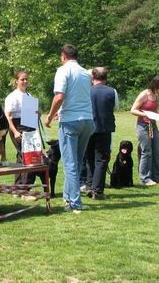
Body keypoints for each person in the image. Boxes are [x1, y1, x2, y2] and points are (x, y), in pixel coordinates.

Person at [45, 44, 94, 213]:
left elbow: (59, 96)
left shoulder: (63, 71)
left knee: (70, 164)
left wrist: (50, 116)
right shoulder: (86, 73)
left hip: (70, 122)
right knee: (77, 162)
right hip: (88, 121)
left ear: (63, 56)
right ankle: (68, 197)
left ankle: (75, 203)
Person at [4, 70, 44, 201]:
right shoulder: (12, 96)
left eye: (26, 79)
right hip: (18, 127)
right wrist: (15, 132)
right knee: (27, 157)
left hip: (29, 126)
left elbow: (32, 113)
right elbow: (8, 116)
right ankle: (24, 191)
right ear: (16, 81)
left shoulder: (29, 95)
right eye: (22, 79)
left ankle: (17, 188)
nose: (25, 81)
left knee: (22, 156)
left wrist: (38, 112)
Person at [84, 67, 118, 200]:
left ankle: (89, 185)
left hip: (88, 128)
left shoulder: (86, 91)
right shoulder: (112, 91)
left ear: (93, 77)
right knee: (101, 159)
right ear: (106, 78)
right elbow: (115, 107)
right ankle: (97, 190)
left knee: (89, 158)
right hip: (104, 129)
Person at [130, 76, 159, 186]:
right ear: (155, 85)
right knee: (146, 152)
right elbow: (133, 110)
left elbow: (155, 111)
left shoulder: (156, 96)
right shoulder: (144, 94)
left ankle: (156, 176)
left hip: (153, 126)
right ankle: (144, 178)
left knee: (157, 152)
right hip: (143, 126)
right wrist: (146, 114)